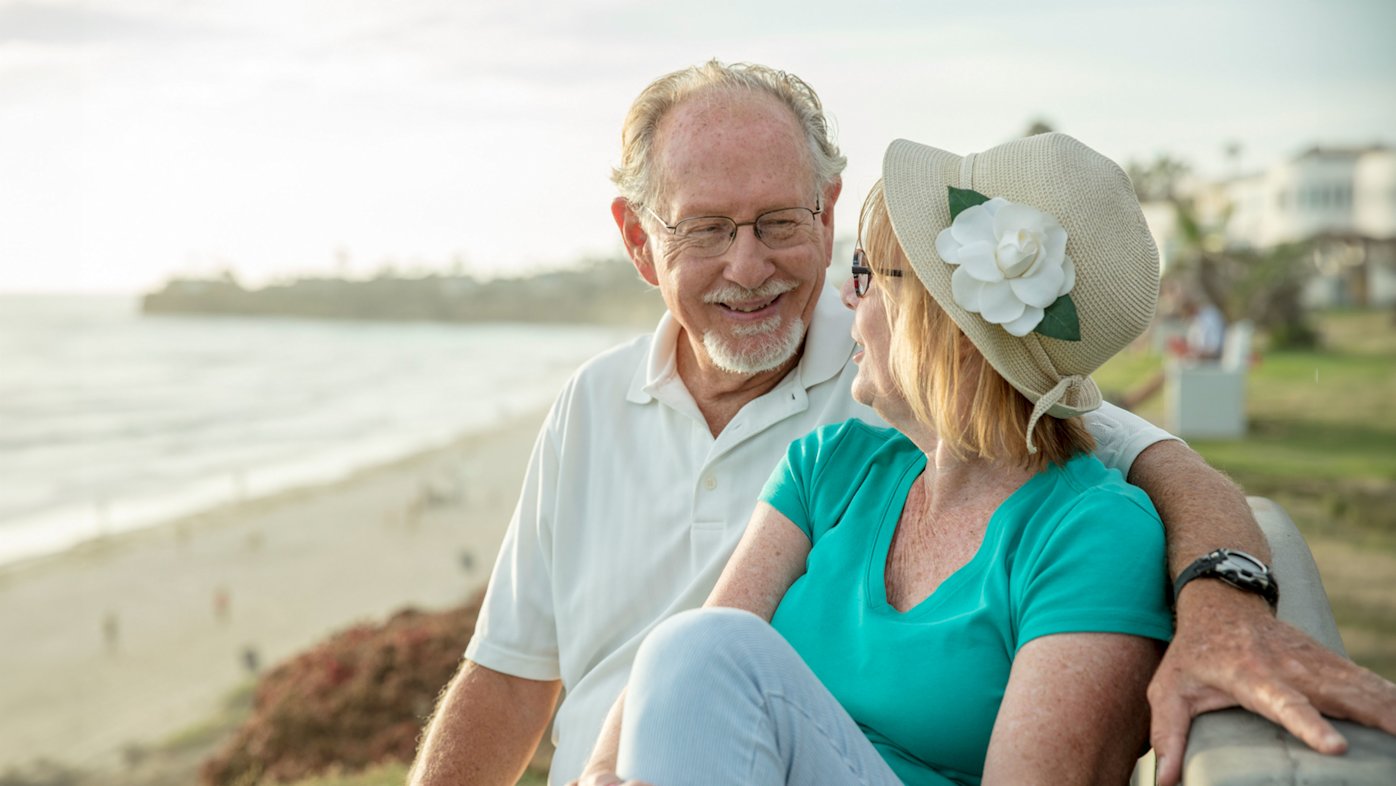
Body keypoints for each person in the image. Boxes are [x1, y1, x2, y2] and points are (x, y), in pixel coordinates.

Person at [409, 60, 1396, 786]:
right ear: (640, 241)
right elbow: (506, 682)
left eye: (784, 224)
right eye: (708, 230)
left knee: (698, 654)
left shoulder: (931, 414)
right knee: (698, 655)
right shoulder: (768, 443)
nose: (754, 267)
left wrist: (1226, 596)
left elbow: (1156, 468)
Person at [579, 131, 1174, 786]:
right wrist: (604, 770)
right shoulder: (830, 467)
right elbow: (690, 672)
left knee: (702, 647)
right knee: (696, 645)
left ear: (947, 324)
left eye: (866, 276)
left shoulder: (1093, 534)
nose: (846, 298)